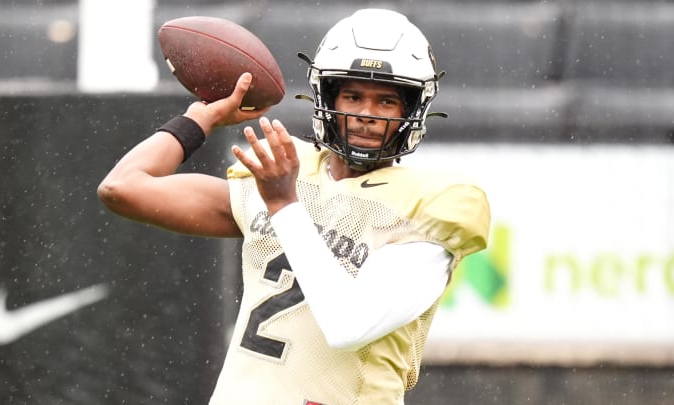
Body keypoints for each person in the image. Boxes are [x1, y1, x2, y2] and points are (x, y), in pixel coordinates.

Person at [98, 8, 490, 405]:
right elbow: (123, 187)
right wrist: (200, 119)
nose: (366, 115)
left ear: (411, 112)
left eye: (386, 101)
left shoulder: (427, 205)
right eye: (353, 96)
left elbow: (348, 324)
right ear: (326, 96)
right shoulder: (287, 172)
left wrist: (284, 203)